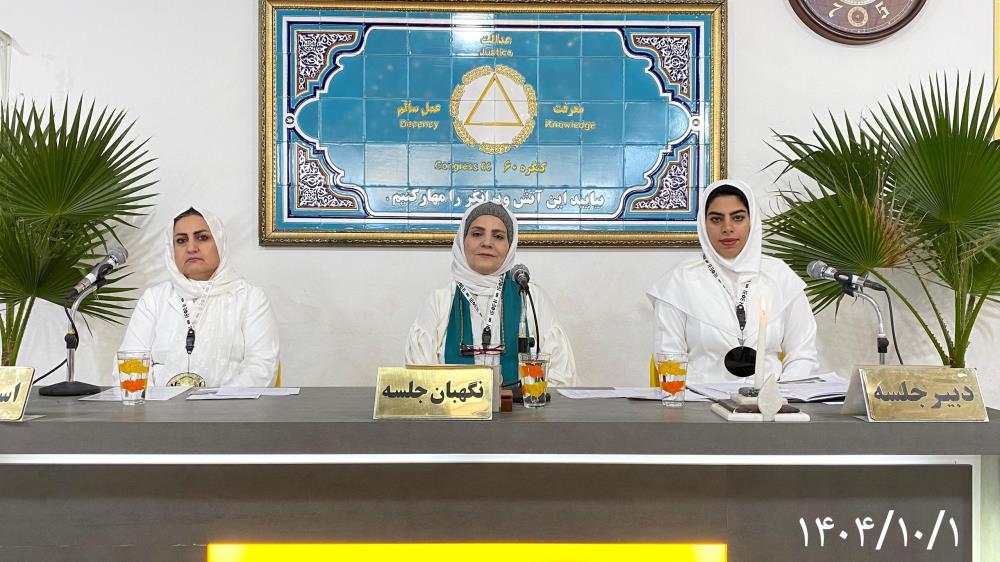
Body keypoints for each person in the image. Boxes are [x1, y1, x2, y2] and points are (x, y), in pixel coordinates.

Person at [647, 180, 818, 383]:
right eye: (716, 219)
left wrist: (781, 394)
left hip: (772, 398)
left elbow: (802, 354)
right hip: (700, 398)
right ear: (703, 224)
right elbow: (669, 358)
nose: (727, 228)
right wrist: (702, 395)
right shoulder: (679, 281)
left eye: (738, 218)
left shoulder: (779, 276)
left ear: (752, 221)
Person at [405, 201, 576, 387]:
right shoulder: (440, 301)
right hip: (452, 405)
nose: (487, 243)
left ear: (510, 246)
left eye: (498, 236)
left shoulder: (529, 296)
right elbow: (419, 378)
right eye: (477, 234)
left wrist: (526, 396)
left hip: (522, 406)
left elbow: (560, 376)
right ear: (462, 241)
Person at [118, 206, 279, 387]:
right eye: (181, 240)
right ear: (172, 249)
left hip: (230, 404)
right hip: (158, 404)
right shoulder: (154, 299)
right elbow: (130, 362)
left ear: (219, 243)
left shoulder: (250, 298)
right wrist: (154, 402)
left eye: (202, 238)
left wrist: (216, 402)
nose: (191, 248)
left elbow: (261, 369)